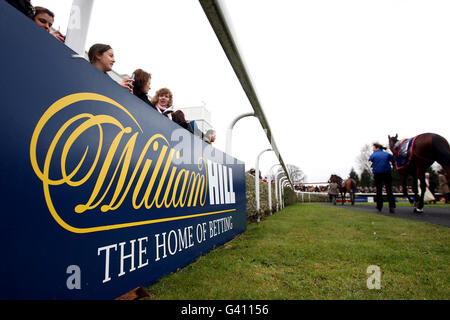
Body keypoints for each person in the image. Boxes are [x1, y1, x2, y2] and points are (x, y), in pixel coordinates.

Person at [369, 142, 396, 213]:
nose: (372, 149)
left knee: (379, 190)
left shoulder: (373, 155)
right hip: (387, 173)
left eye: (373, 147)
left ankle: (379, 206)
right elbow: (393, 160)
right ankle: (392, 206)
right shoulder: (387, 154)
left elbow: (370, 160)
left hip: (377, 174)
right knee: (389, 190)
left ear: (377, 148)